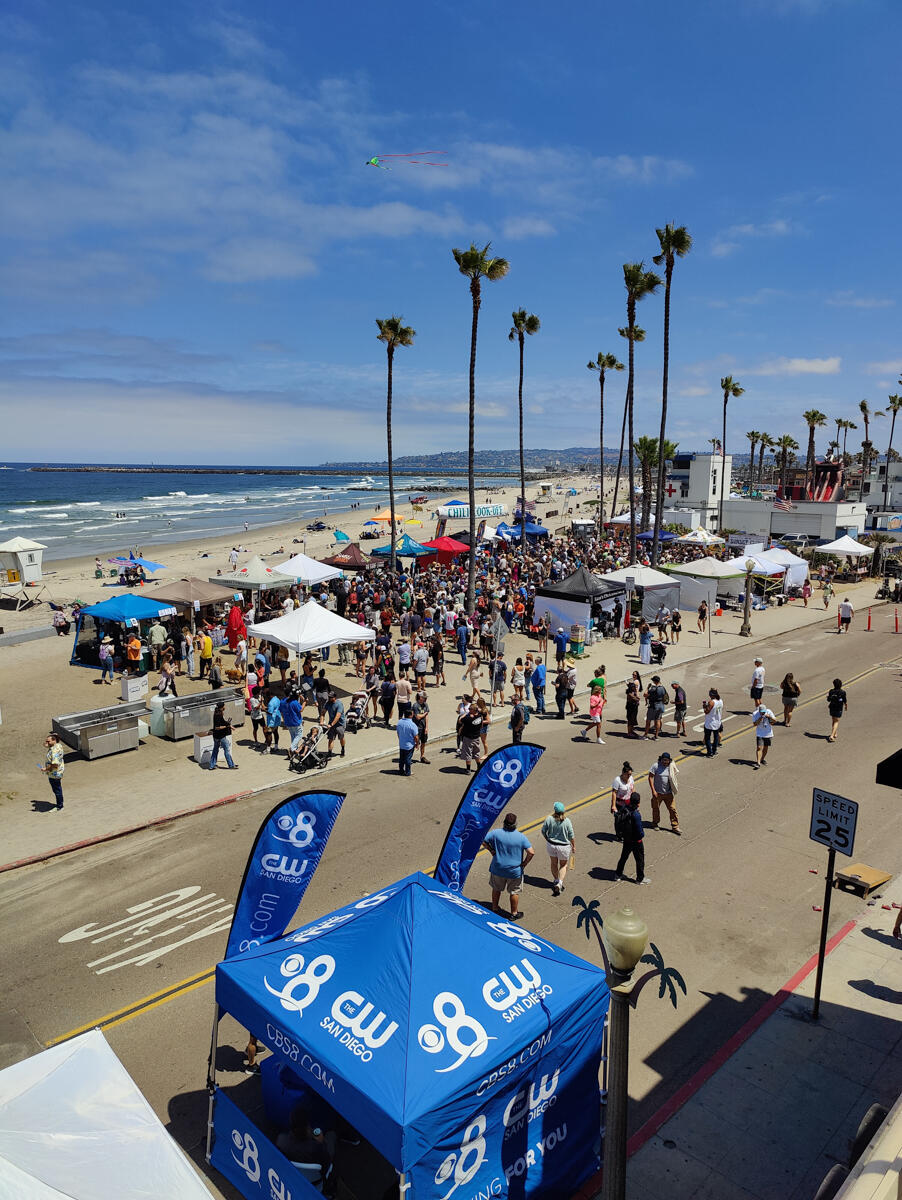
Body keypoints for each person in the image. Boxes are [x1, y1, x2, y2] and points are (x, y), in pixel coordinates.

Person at [483, 812, 534, 918]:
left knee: (496, 889)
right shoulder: (521, 837)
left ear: (504, 823)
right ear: (515, 824)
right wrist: (524, 863)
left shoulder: (495, 833)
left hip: (497, 868)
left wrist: (491, 850)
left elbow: (483, 840)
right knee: (514, 892)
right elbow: (531, 852)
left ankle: (495, 908)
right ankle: (514, 913)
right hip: (514, 871)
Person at [541, 802, 576, 896]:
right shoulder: (567, 821)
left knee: (553, 863)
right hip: (564, 847)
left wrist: (547, 839)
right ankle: (560, 883)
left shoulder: (549, 819)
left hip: (551, 845)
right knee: (563, 865)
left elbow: (543, 831)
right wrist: (573, 846)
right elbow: (571, 835)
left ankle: (556, 880)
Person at [614, 793, 649, 885]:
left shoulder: (625, 809)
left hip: (626, 839)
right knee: (640, 859)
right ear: (638, 802)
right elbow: (639, 830)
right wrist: (642, 835)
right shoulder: (636, 815)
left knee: (624, 857)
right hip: (636, 840)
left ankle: (618, 874)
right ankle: (640, 878)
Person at [648, 750, 681, 834]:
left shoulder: (671, 766)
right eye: (663, 760)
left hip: (668, 793)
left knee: (672, 809)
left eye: (666, 760)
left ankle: (675, 826)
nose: (665, 762)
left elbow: (673, 777)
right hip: (658, 793)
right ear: (661, 759)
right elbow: (650, 777)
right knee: (656, 808)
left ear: (669, 760)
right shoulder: (656, 766)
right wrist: (653, 791)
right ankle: (655, 823)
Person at [207, 701, 238, 770]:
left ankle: (212, 765)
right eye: (224, 706)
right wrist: (226, 727)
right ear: (221, 707)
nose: (225, 707)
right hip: (221, 736)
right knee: (226, 750)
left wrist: (229, 726)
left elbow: (223, 722)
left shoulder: (217, 713)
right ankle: (231, 765)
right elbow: (217, 727)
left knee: (215, 750)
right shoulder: (218, 715)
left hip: (216, 736)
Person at [40, 732, 65, 809]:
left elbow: (55, 764)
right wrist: (48, 745)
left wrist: (45, 769)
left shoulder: (54, 751)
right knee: (57, 789)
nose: (46, 743)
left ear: (54, 741)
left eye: (48, 741)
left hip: (54, 773)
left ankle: (60, 806)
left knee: (57, 790)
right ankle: (60, 804)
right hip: (58, 772)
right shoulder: (58, 746)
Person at [458, 701, 485, 771]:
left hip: (468, 738)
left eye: (470, 709)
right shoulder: (480, 716)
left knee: (468, 753)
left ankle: (468, 769)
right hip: (476, 737)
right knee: (476, 753)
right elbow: (481, 726)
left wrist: (466, 714)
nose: (469, 710)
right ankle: (479, 767)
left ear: (473, 710)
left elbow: (460, 720)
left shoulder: (468, 719)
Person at [611, 762, 634, 837]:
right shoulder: (617, 780)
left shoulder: (631, 778)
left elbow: (632, 788)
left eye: (630, 774)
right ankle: (619, 834)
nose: (629, 776)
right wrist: (613, 805)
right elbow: (614, 793)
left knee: (629, 820)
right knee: (619, 820)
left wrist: (635, 800)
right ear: (623, 773)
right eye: (628, 774)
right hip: (620, 804)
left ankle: (626, 833)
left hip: (629, 803)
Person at [644, 675, 668, 740]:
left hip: (653, 706)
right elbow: (665, 696)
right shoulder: (662, 688)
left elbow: (645, 694)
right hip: (661, 705)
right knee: (657, 720)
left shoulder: (654, 689)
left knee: (648, 720)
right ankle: (656, 736)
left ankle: (645, 735)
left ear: (654, 681)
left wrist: (648, 687)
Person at [752, 701, 775, 768]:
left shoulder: (769, 712)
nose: (763, 713)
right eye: (762, 712)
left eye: (764, 711)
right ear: (759, 711)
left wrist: (769, 717)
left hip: (768, 733)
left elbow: (775, 721)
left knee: (766, 747)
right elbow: (754, 724)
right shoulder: (755, 714)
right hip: (760, 733)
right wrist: (760, 719)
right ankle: (758, 763)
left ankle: (762, 759)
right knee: (759, 747)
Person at [702, 688, 723, 757]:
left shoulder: (711, 702)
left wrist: (704, 707)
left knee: (707, 738)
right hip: (717, 722)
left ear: (711, 695)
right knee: (716, 737)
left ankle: (710, 753)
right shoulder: (720, 701)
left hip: (710, 723)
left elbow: (707, 712)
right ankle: (714, 751)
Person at [324, 692, 346, 757]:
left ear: (334, 697)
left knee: (341, 738)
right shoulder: (327, 703)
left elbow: (338, 716)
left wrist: (332, 724)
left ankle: (342, 749)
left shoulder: (339, 704)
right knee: (331, 738)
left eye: (331, 697)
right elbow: (323, 712)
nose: (329, 698)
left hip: (340, 724)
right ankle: (329, 752)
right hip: (331, 723)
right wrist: (322, 720)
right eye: (329, 697)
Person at [826, 677, 848, 742]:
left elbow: (828, 700)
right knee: (836, 721)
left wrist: (828, 697)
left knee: (833, 720)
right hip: (838, 708)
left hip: (832, 707)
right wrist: (846, 706)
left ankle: (835, 733)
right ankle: (832, 736)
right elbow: (845, 700)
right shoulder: (843, 692)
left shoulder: (831, 691)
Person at [412, 688, 430, 763]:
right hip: (416, 727)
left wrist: (426, 727)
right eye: (424, 698)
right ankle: (409, 756)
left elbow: (426, 717)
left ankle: (422, 756)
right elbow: (417, 717)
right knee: (415, 743)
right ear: (420, 697)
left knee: (423, 742)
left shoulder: (425, 705)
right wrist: (425, 713)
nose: (425, 699)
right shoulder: (415, 705)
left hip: (423, 727)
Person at [264, 688, 282, 754]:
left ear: (270, 695)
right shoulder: (277, 699)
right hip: (277, 718)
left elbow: (270, 712)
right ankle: (276, 746)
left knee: (269, 734)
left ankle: (268, 749)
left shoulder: (271, 703)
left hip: (271, 721)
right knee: (276, 732)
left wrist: (264, 710)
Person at [625, 672, 642, 738]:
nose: (635, 687)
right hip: (631, 708)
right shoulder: (630, 693)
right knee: (630, 720)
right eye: (634, 687)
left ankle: (631, 731)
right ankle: (629, 732)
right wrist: (637, 698)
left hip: (633, 707)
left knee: (632, 719)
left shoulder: (632, 692)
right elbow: (636, 699)